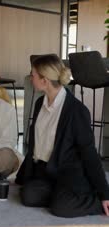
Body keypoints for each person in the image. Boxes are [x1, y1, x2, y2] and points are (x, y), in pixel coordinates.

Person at [16, 54, 109, 218]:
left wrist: (105, 194)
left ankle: (91, 199)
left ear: (44, 80)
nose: (31, 78)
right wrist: (20, 177)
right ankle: (60, 195)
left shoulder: (76, 111)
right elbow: (34, 148)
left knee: (62, 209)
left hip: (69, 173)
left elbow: (89, 153)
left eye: (33, 75)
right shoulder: (40, 104)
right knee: (28, 196)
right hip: (46, 171)